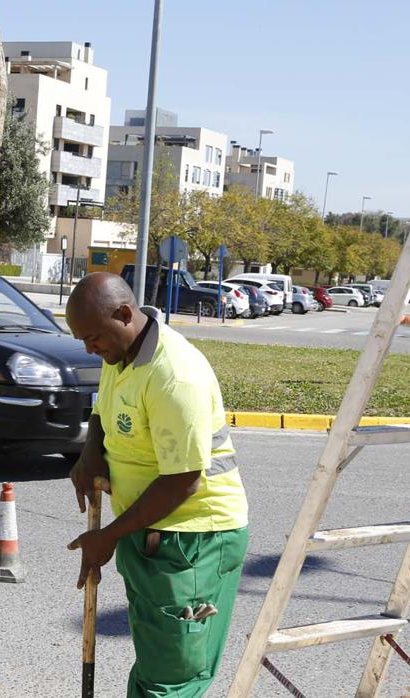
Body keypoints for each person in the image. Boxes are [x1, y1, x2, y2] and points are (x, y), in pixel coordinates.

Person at [66, 273, 249, 697]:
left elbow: (182, 482)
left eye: (93, 338)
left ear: (125, 314)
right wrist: (92, 449)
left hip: (193, 542)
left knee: (174, 678)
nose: (89, 349)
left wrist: (107, 537)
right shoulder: (122, 354)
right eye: (82, 340)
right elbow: (104, 407)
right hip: (146, 532)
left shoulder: (174, 375)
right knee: (154, 669)